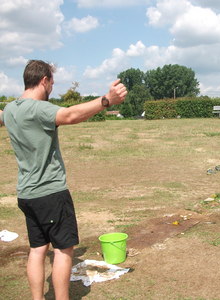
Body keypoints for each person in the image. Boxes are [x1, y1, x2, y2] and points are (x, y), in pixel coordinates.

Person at [0, 59, 127, 300]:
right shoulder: (39, 108)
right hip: (50, 194)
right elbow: (69, 115)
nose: (52, 88)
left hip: (26, 195)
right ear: (44, 80)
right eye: (52, 83)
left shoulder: (11, 110)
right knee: (63, 250)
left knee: (37, 249)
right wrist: (106, 101)